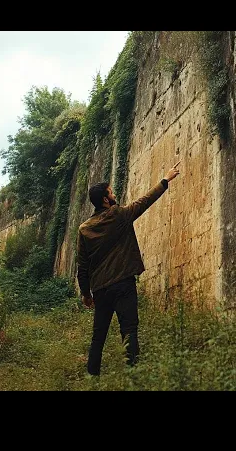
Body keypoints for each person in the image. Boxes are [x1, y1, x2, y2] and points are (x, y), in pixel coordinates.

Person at [76, 161, 181, 376]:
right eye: (111, 192)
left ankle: (92, 377)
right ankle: (133, 377)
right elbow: (144, 202)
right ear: (105, 200)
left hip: (101, 289)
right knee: (129, 331)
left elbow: (82, 265)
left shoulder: (84, 229)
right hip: (123, 284)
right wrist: (165, 179)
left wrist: (86, 294)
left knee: (98, 336)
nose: (114, 194)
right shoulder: (118, 215)